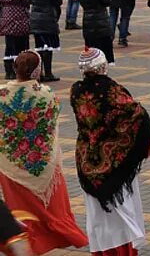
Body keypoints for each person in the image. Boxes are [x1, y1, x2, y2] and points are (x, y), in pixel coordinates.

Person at [0, 51, 88, 254]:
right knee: (50, 209)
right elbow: (50, 125)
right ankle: (51, 237)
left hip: (11, 163)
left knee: (20, 209)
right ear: (37, 71)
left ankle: (22, 240)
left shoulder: (3, 94)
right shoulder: (48, 94)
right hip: (44, 161)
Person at [71, 47, 150, 256]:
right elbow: (136, 116)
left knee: (97, 214)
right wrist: (137, 146)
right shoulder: (111, 90)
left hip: (86, 158)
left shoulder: (76, 90)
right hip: (113, 161)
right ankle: (122, 251)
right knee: (121, 209)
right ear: (102, 66)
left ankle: (101, 250)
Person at [74, 0, 115, 65]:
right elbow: (107, 1)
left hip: (87, 20)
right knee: (103, 46)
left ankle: (90, 65)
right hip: (100, 20)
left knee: (91, 46)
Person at [27, 0, 62, 82]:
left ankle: (39, 73)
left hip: (35, 17)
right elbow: (58, 1)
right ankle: (48, 72)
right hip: (48, 17)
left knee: (39, 47)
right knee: (48, 48)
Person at [0, 0, 30, 80]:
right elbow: (26, 0)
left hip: (6, 14)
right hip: (19, 15)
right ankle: (20, 69)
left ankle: (9, 71)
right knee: (21, 44)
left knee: (9, 43)